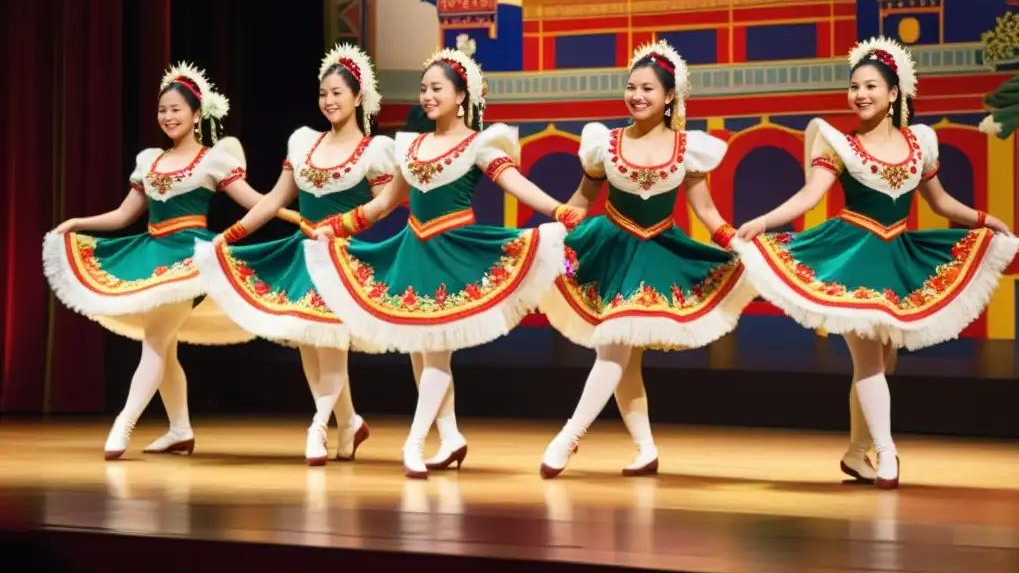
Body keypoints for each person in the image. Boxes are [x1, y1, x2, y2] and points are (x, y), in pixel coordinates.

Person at [731, 37, 1019, 489]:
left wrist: (987, 220)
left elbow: (942, 202)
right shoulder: (840, 146)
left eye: (870, 86)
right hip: (851, 255)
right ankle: (887, 453)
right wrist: (763, 221)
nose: (860, 94)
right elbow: (810, 196)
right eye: (854, 86)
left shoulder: (919, 143)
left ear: (894, 94)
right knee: (869, 359)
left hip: (895, 256)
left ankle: (855, 453)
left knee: (883, 361)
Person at [304, 42, 584, 478]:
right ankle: (450, 436)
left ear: (461, 95)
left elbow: (516, 184)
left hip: (455, 255)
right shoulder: (411, 147)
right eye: (423, 89)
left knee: (434, 356)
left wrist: (557, 210)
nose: (428, 96)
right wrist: (335, 227)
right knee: (422, 353)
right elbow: (380, 207)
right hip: (415, 253)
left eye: (437, 88)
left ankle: (415, 442)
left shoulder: (479, 144)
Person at [537, 40, 755, 478]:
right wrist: (551, 236)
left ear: (670, 96)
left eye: (648, 89)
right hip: (610, 249)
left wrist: (736, 241)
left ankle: (568, 436)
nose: (637, 95)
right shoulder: (605, 144)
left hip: (657, 255)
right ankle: (645, 448)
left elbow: (706, 210)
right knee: (622, 355)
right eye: (631, 87)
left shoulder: (688, 148)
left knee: (614, 348)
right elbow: (581, 200)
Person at [43, 63, 273, 460]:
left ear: (197, 114)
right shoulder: (149, 160)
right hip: (153, 253)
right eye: (162, 109)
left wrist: (294, 203)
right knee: (164, 348)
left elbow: (256, 203)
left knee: (155, 340)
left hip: (189, 260)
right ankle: (180, 430)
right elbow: (122, 215)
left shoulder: (213, 160)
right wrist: (78, 223)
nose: (168, 116)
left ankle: (124, 424)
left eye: (176, 110)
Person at [194, 43, 392, 465]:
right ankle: (351, 422)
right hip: (305, 259)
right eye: (324, 93)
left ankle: (318, 425)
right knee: (310, 346)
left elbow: (383, 206)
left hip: (344, 259)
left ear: (358, 97)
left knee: (333, 346)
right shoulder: (303, 143)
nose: (329, 101)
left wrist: (341, 227)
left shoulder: (376, 152)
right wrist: (230, 234)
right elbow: (272, 201)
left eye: (338, 93)